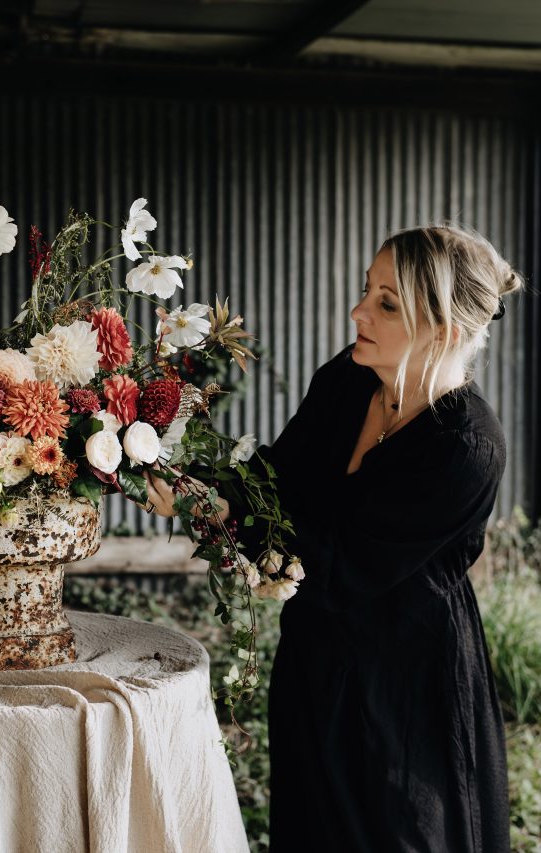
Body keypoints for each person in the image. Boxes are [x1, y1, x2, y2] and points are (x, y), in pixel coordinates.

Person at [141, 224, 522, 852]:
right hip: (315, 658)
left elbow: (339, 566)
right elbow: (279, 478)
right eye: (367, 290)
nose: (358, 312)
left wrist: (219, 510)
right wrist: (196, 483)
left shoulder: (466, 448)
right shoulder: (348, 378)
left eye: (387, 304)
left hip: (404, 688)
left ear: (447, 332)